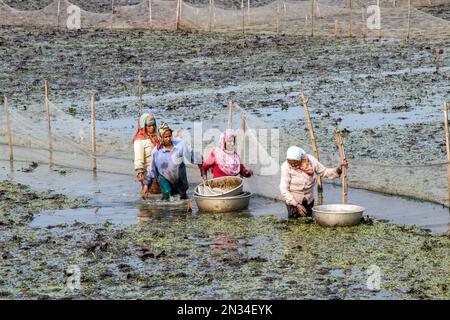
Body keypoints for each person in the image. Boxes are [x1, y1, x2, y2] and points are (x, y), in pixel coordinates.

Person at [280, 146, 348, 219]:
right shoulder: (285, 167)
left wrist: (338, 170)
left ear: (300, 159)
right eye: (291, 164)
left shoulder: (311, 161)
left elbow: (324, 172)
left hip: (309, 200)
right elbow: (284, 189)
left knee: (308, 222)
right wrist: (297, 205)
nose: (293, 166)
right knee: (293, 223)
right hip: (293, 201)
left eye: (295, 163)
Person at [142, 123, 202, 200]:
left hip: (180, 179)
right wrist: (146, 185)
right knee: (167, 192)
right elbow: (152, 169)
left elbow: (190, 155)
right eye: (165, 137)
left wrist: (201, 162)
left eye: (169, 136)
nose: (168, 139)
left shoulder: (180, 144)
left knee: (182, 197)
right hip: (164, 178)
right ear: (160, 137)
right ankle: (162, 208)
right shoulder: (156, 151)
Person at [133, 113, 162, 194]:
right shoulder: (139, 141)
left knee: (159, 193)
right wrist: (139, 171)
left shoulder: (156, 137)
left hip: (159, 171)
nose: (152, 128)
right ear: (143, 126)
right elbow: (138, 158)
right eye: (149, 126)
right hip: (148, 173)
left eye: (153, 125)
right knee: (152, 192)